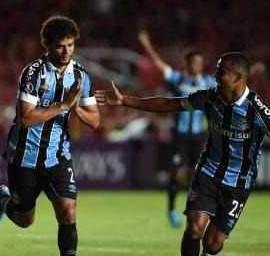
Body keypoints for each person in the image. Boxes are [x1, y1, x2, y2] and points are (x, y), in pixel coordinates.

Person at [95, 52, 269, 256]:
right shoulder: (209, 98)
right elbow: (169, 104)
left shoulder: (257, 110)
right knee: (195, 226)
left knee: (213, 243)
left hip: (239, 182)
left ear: (238, 78)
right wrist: (125, 100)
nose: (214, 76)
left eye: (220, 72)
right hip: (208, 172)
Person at [0, 15, 100, 256]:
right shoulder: (33, 74)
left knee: (68, 209)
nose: (66, 51)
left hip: (58, 156)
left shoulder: (81, 77)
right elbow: (26, 118)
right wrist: (62, 105)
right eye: (60, 45)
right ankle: (4, 201)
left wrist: (76, 106)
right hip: (24, 157)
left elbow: (95, 121)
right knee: (24, 220)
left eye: (70, 45)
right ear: (46, 45)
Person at [138, 30, 216, 227]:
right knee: (177, 174)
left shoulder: (208, 82)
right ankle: (172, 209)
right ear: (187, 63)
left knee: (197, 176)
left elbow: (230, 85)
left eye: (200, 62)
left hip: (199, 136)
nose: (197, 65)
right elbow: (159, 65)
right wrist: (147, 45)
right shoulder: (178, 79)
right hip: (180, 136)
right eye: (194, 62)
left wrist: (252, 72)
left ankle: (194, 209)